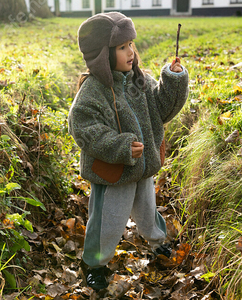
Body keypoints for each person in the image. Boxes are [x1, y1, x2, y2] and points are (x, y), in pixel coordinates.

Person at [68, 12, 189, 290]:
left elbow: (162, 109)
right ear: (102, 54)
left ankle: (159, 244)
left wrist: (173, 79)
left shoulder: (139, 81)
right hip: (113, 173)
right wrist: (121, 146)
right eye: (122, 47)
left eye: (131, 44)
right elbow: (84, 128)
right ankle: (95, 263)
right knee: (108, 223)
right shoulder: (93, 90)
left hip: (143, 170)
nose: (130, 52)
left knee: (148, 214)